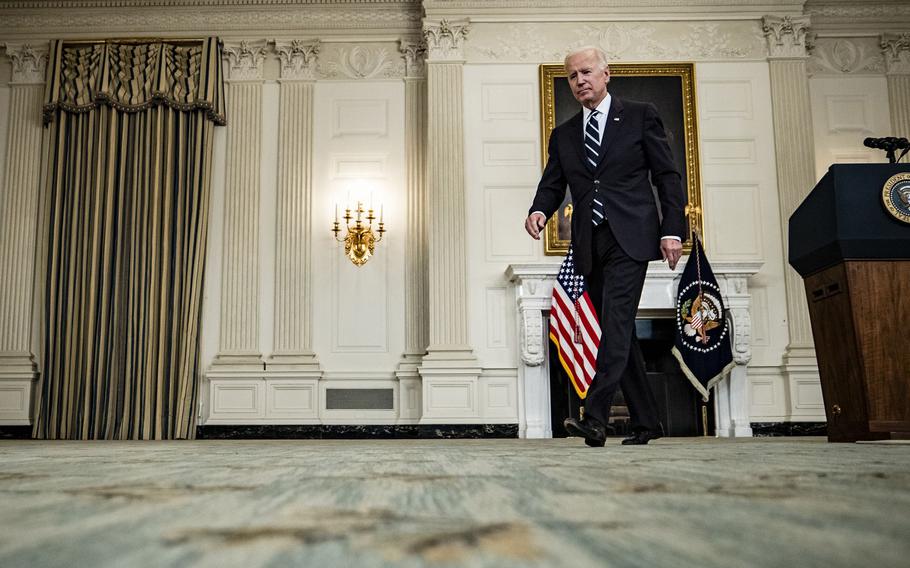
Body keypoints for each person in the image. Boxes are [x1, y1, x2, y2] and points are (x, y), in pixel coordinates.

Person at [525, 46, 686, 447]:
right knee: (620, 332)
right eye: (572, 76)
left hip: (631, 235)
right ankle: (648, 422)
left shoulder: (639, 114)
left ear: (606, 74)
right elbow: (552, 183)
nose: (579, 81)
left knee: (614, 322)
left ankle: (594, 416)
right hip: (588, 242)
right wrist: (539, 210)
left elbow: (667, 175)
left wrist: (672, 230)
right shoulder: (563, 135)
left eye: (586, 72)